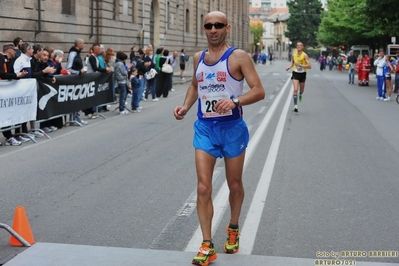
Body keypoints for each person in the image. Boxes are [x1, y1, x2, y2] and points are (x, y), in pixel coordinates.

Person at [173, 11, 265, 266]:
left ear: (227, 28)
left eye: (218, 25)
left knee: (234, 185)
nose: (213, 29)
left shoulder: (238, 57)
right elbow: (195, 85)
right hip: (205, 128)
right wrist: (185, 107)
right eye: (208, 26)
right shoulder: (197, 58)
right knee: (203, 187)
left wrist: (234, 100)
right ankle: (206, 245)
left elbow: (259, 91)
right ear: (204, 29)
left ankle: (233, 227)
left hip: (232, 128)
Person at [0, 43, 28, 146]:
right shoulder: (1, 58)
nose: (15, 53)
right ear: (10, 51)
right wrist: (16, 75)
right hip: (2, 89)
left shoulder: (8, 60)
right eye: (14, 51)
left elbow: (8, 74)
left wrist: (18, 76)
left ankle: (9, 136)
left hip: (4, 90)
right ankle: (8, 136)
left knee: (5, 113)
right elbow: (1, 73)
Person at [285, 41, 312, 112]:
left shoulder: (305, 55)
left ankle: (300, 94)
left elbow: (309, 66)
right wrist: (289, 67)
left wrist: (300, 65)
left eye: (300, 45)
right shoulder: (294, 55)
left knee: (301, 90)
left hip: (302, 74)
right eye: (297, 45)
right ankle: (295, 106)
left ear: (303, 47)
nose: (299, 46)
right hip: (295, 73)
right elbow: (292, 63)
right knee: (295, 89)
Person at [67, 38, 88, 125]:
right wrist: (79, 72)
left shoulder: (77, 53)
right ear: (78, 44)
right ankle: (74, 119)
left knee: (78, 99)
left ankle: (77, 118)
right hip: (74, 79)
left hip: (78, 79)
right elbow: (69, 68)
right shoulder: (73, 54)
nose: (84, 45)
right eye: (83, 43)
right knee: (75, 99)